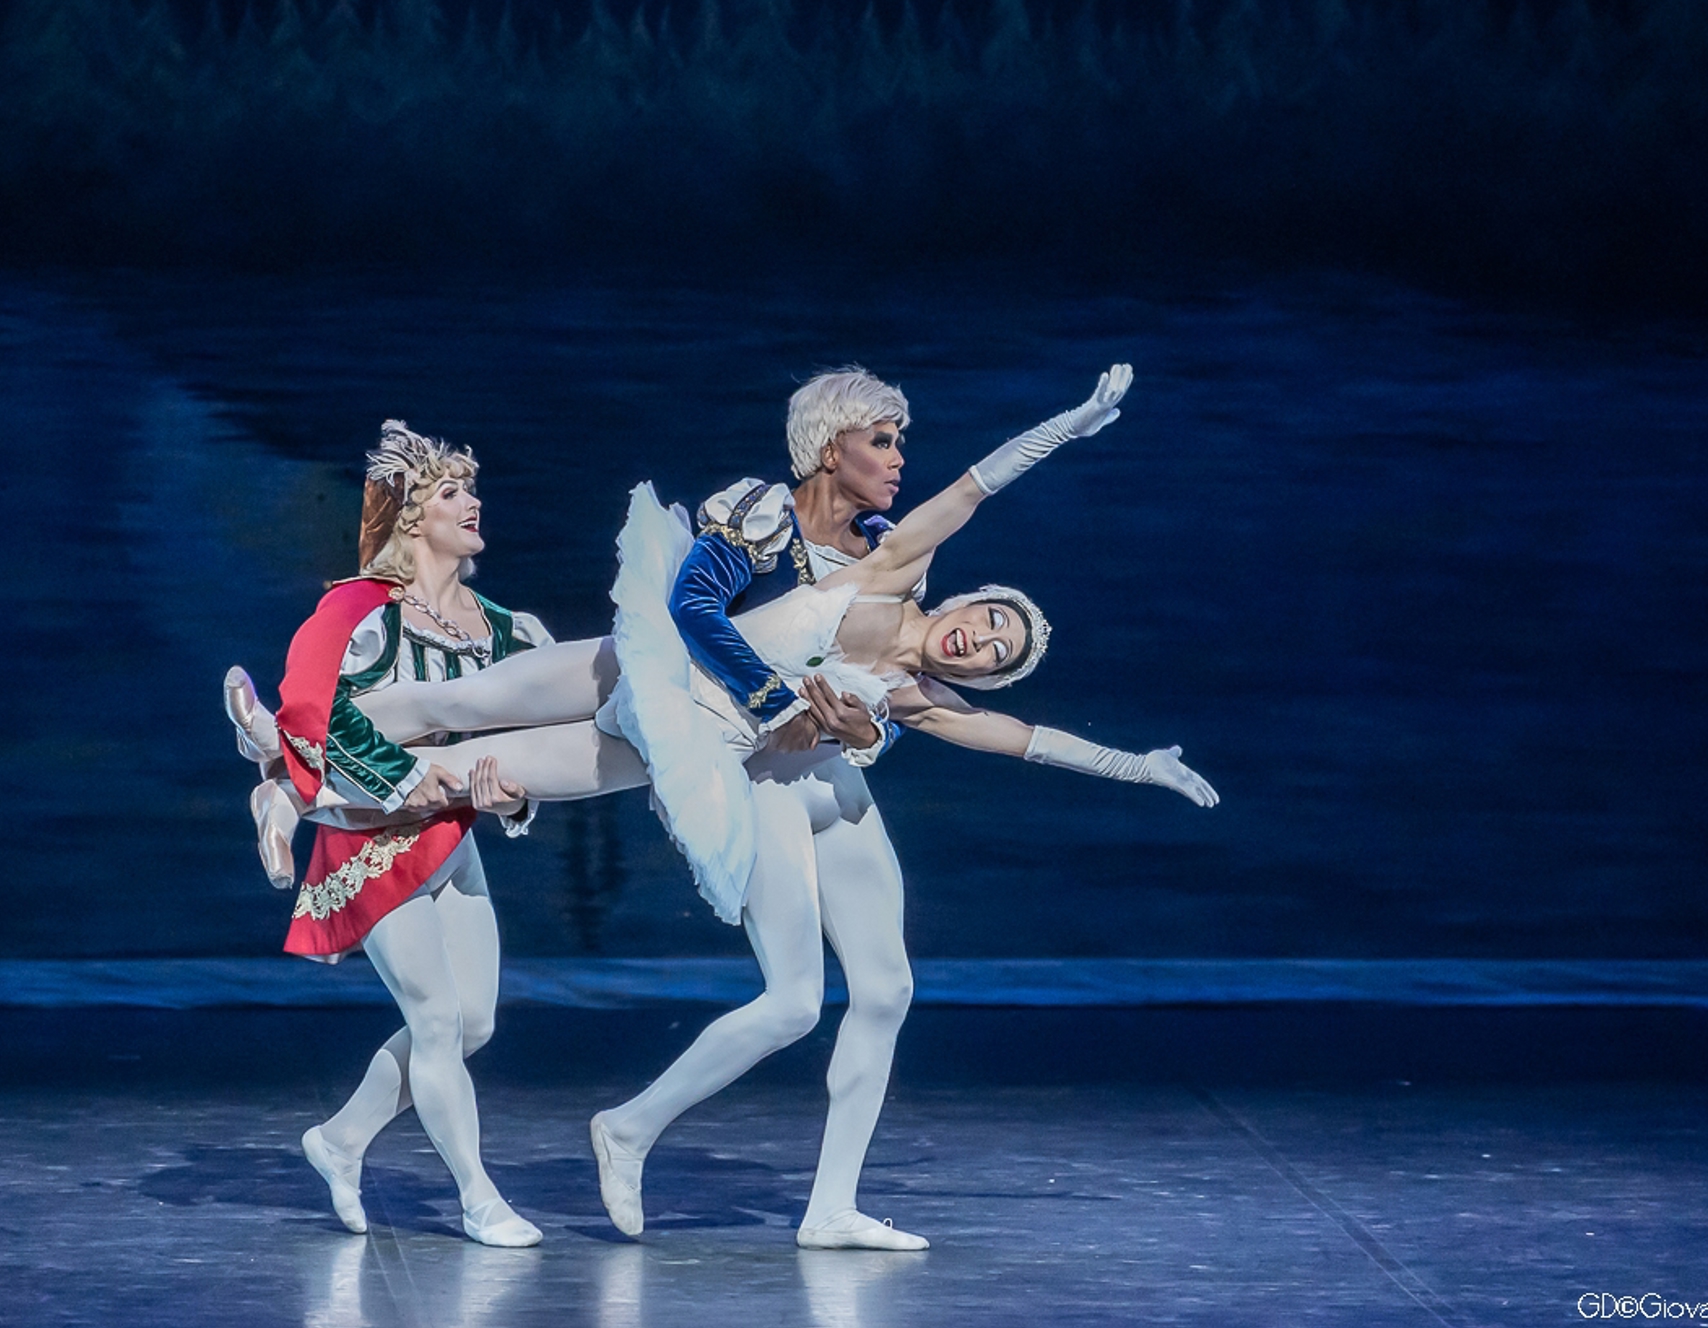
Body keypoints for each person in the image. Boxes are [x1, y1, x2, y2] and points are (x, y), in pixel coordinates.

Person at [275, 366, 1216, 1251]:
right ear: (971, 592)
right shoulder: (884, 576)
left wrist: (1141, 767)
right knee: (459, 707)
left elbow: (1024, 739)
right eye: (993, 622)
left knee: (484, 767)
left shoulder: (916, 695)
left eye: (1002, 655)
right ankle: (291, 757)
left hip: (697, 748)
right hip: (660, 674)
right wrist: (1073, 424)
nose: (985, 645)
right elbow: (971, 491)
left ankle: (822, 1201)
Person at [226, 420, 570, 1248]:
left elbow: (528, 749)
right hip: (372, 835)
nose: (472, 500)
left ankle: (339, 1141)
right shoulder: (361, 609)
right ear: (413, 517)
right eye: (451, 491)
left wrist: (511, 799)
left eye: (470, 488)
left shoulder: (504, 628)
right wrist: (409, 777)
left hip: (453, 838)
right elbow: (317, 711)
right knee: (438, 1022)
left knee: (473, 1023)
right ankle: (478, 1197)